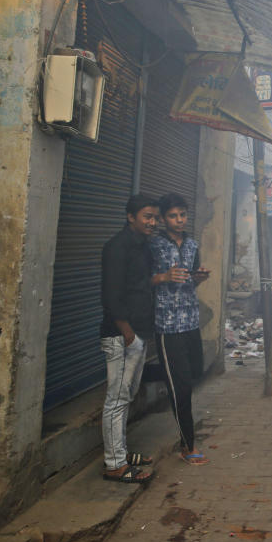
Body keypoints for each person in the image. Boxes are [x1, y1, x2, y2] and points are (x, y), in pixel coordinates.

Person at [100, 194, 160, 483]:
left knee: (126, 397)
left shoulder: (142, 248)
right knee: (117, 399)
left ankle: (120, 453)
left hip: (137, 334)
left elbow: (141, 286)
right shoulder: (117, 248)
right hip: (121, 336)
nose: (152, 222)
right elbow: (112, 295)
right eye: (147, 217)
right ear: (131, 217)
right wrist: (128, 335)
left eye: (154, 217)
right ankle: (114, 465)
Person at [150, 193, 210, 466]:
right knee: (181, 387)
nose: (179, 220)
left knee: (194, 374)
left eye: (182, 215)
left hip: (191, 321)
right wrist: (163, 276)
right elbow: (139, 279)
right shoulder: (153, 245)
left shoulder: (192, 245)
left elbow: (190, 282)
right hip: (167, 325)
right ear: (163, 219)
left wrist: (198, 278)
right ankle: (188, 446)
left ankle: (151, 373)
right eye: (173, 216)